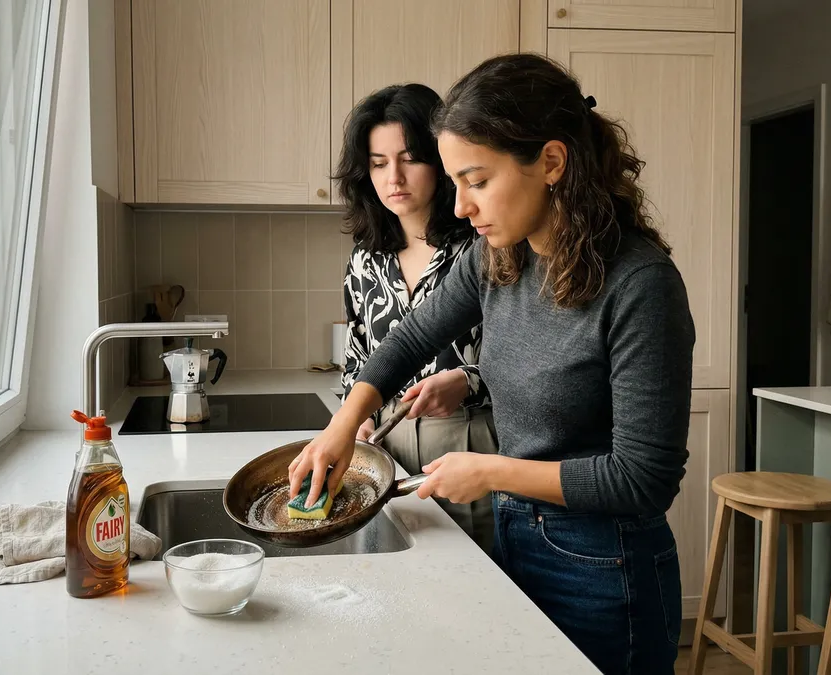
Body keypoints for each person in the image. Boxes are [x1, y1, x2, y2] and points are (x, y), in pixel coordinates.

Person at [291, 53, 695, 675]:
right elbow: (410, 337)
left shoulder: (641, 285)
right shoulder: (496, 260)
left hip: (606, 570)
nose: (459, 208)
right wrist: (343, 425)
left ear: (552, 163)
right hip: (517, 537)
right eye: (455, 183)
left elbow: (642, 479)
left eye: (477, 181)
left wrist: (490, 472)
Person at [332, 82, 497, 551]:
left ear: (442, 162)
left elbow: (523, 358)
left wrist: (468, 381)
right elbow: (358, 357)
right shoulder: (366, 258)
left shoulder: (483, 244)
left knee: (478, 583)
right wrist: (356, 419)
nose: (394, 178)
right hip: (389, 449)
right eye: (379, 163)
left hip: (472, 442)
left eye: (410, 159)